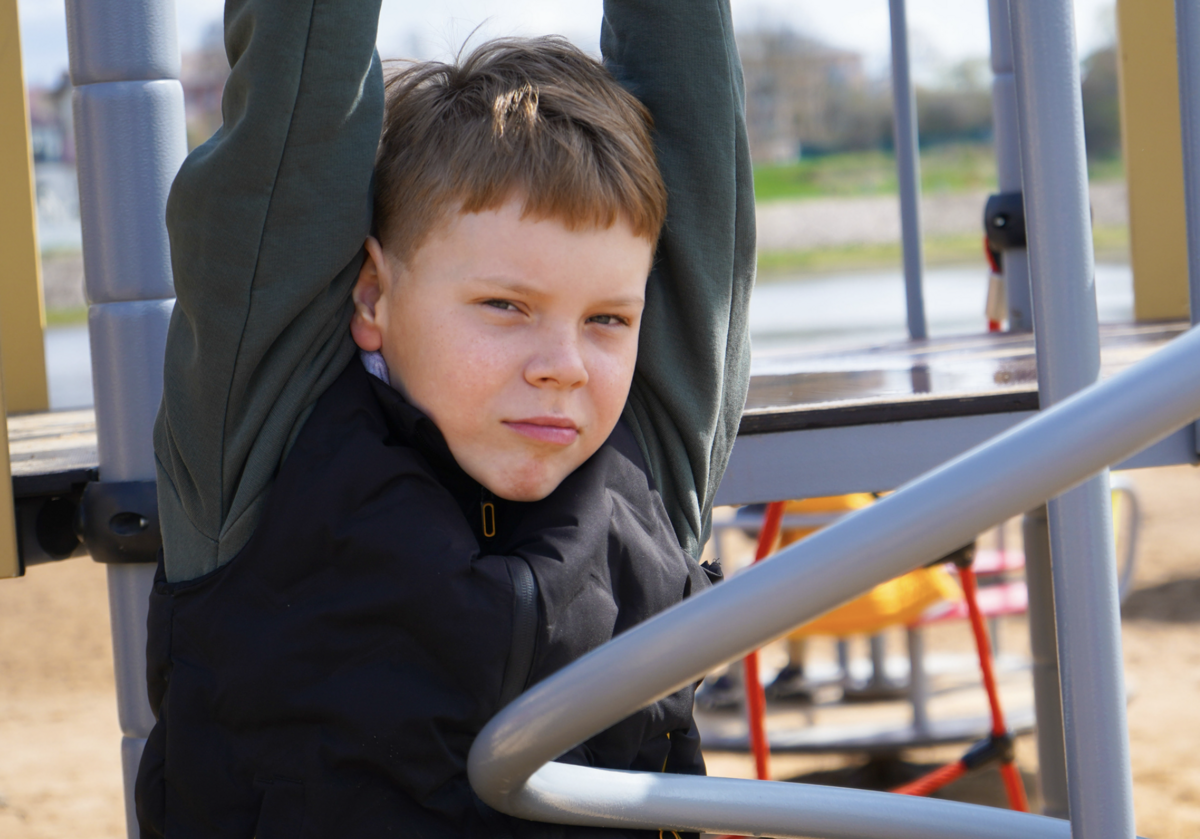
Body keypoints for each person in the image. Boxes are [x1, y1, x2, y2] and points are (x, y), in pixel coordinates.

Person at [137, 0, 754, 836]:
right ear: (373, 296)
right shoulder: (265, 447)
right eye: (505, 305)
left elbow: (698, 123)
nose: (565, 364)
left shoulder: (647, 466)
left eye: (607, 318)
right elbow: (294, 103)